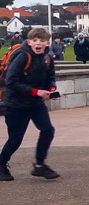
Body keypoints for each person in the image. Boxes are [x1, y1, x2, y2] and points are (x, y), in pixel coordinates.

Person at [1, 27, 59, 181]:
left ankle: (40, 165)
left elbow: (50, 77)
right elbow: (11, 82)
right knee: (15, 139)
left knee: (47, 130)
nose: (38, 43)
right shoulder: (22, 56)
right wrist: (37, 92)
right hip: (16, 104)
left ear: (47, 43)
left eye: (41, 40)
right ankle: (1, 164)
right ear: (29, 41)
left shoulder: (47, 58)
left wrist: (51, 90)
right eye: (34, 40)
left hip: (35, 104)